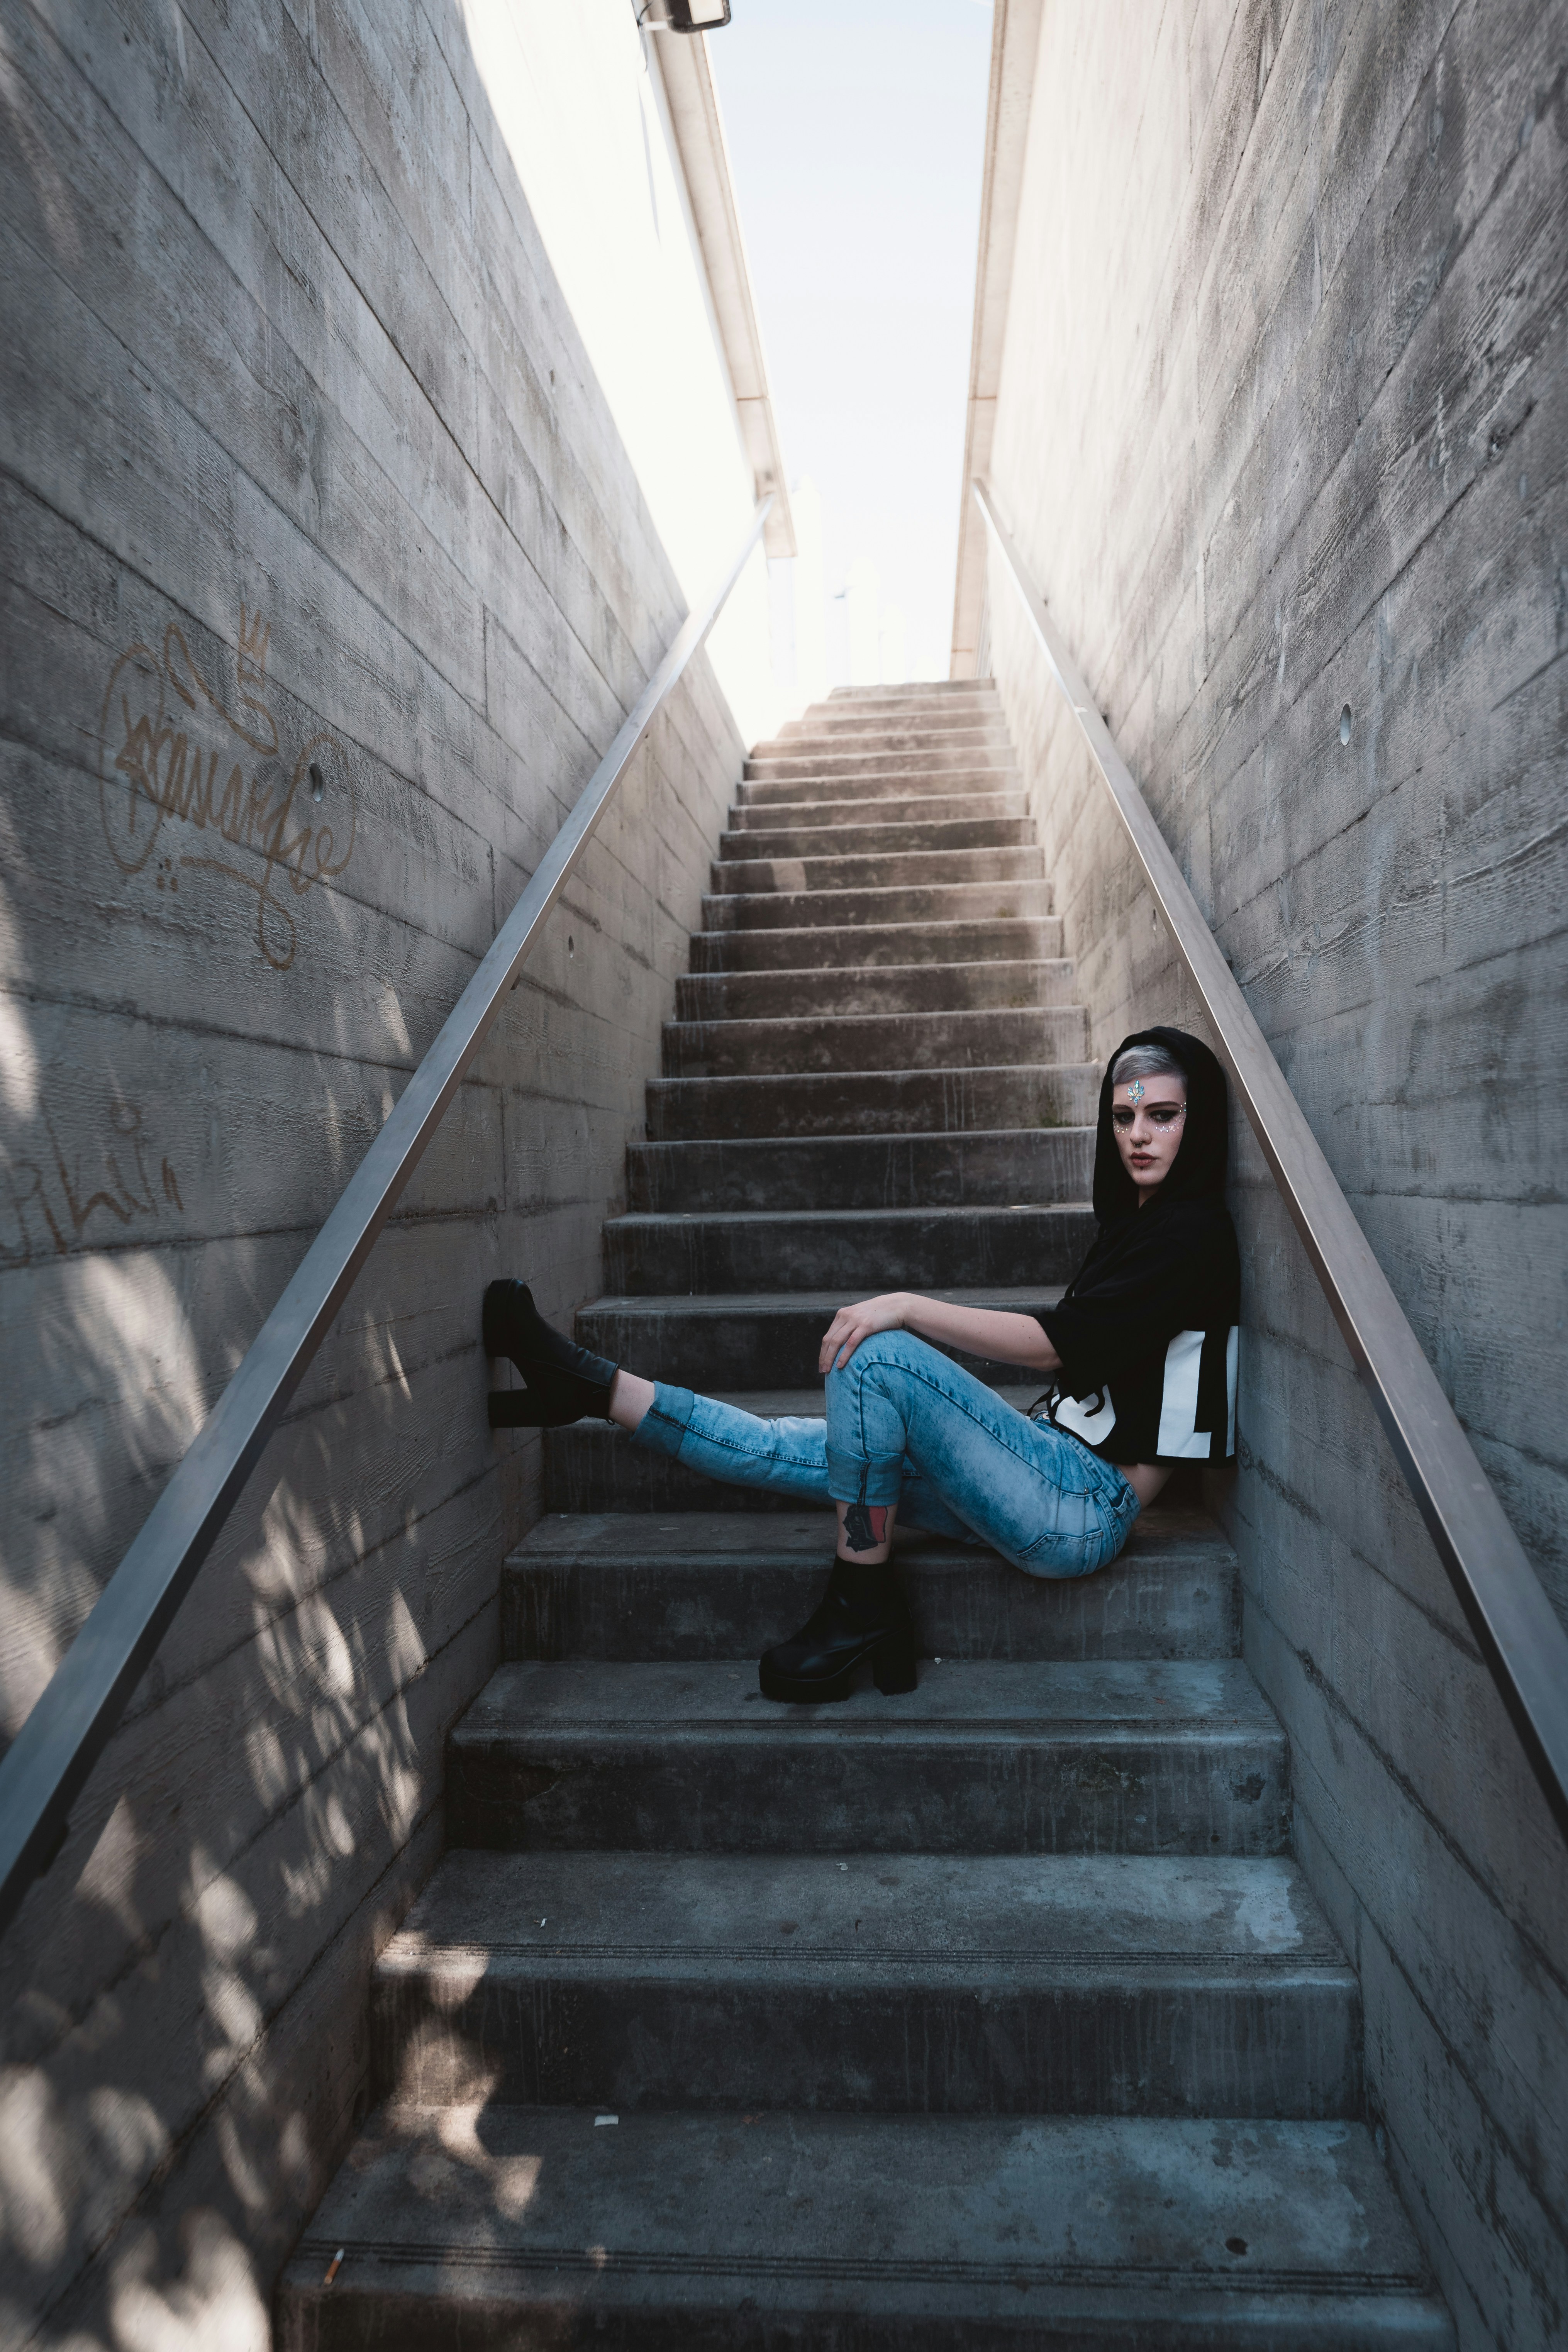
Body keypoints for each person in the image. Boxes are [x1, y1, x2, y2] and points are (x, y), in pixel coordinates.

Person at [483, 1026, 1239, 1704]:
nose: (1138, 1135)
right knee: (788, 1445)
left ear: (1196, 1123)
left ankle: (860, 1596)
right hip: (1042, 1472)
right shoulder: (1136, 1227)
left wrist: (906, 1303)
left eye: (1161, 1116)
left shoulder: (1192, 1235)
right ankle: (586, 1383)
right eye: (1123, 1116)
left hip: (1084, 1505)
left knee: (875, 1352)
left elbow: (1058, 1344)